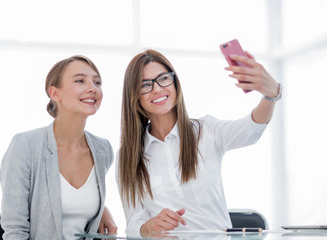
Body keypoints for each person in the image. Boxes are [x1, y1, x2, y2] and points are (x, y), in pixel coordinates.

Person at [116, 49, 282, 237]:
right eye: (145, 84)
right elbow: (132, 225)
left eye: (163, 79)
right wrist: (148, 227)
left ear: (175, 83)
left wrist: (271, 95)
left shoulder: (206, 131)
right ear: (134, 96)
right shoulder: (128, 156)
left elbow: (250, 130)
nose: (157, 88)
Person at [0, 55, 117, 239]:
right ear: (55, 93)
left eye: (97, 82)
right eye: (80, 80)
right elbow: (15, 230)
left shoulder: (103, 150)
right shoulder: (25, 147)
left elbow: (77, 202)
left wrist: (102, 209)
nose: (92, 88)